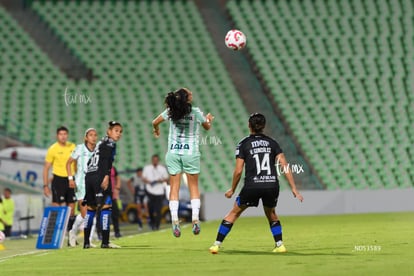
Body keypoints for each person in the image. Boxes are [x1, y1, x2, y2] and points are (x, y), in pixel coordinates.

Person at [209, 113, 304, 254]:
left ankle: (216, 244)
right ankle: (280, 245)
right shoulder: (273, 143)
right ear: (264, 126)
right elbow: (284, 165)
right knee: (271, 213)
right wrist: (294, 189)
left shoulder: (244, 143)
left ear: (249, 125)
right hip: (271, 184)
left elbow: (238, 170)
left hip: (252, 185)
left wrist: (232, 189)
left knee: (234, 213)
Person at [152, 88, 214, 237]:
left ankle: (174, 220)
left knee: (174, 188)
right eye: (190, 93)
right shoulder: (196, 112)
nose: (192, 93)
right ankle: (195, 219)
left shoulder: (170, 111)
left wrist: (157, 130)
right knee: (193, 187)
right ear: (187, 98)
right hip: (190, 153)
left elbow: (154, 122)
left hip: (173, 153)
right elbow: (207, 127)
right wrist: (209, 119)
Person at [83, 121, 123, 249]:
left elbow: (90, 161)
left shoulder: (100, 143)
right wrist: (106, 176)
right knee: (106, 206)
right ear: (109, 131)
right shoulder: (110, 143)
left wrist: (90, 176)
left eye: (120, 131)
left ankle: (86, 243)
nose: (119, 134)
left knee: (90, 209)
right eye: (116, 131)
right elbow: (106, 160)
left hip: (89, 175)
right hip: (100, 176)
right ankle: (105, 242)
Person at [66, 128, 98, 247]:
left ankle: (72, 232)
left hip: (93, 185)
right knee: (88, 215)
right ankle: (88, 240)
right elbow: (68, 163)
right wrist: (70, 179)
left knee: (88, 214)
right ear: (86, 137)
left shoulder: (98, 149)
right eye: (91, 135)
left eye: (95, 135)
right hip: (81, 184)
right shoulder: (79, 148)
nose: (93, 137)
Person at [43, 126, 77, 236]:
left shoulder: (73, 147)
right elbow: (46, 168)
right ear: (57, 136)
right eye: (61, 134)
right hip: (58, 179)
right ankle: (54, 235)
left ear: (67, 135)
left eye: (65, 134)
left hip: (71, 179)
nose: (63, 136)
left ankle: (70, 235)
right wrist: (45, 185)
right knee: (56, 208)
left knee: (71, 210)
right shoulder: (53, 149)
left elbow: (77, 164)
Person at [142, 154, 169, 231]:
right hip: (150, 191)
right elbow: (143, 178)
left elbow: (166, 179)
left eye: (156, 160)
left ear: (158, 160)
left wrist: (159, 181)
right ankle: (152, 222)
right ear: (152, 160)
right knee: (150, 209)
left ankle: (157, 225)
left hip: (159, 192)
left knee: (158, 210)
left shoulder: (162, 168)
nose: (155, 161)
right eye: (154, 160)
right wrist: (149, 182)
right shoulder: (147, 168)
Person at [110, 166, 122, 238]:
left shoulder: (113, 168)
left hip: (113, 194)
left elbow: (118, 178)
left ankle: (117, 231)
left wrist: (117, 188)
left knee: (115, 213)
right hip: (103, 194)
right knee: (101, 214)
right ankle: (100, 233)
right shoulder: (101, 166)